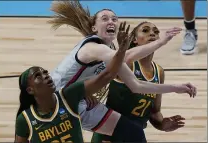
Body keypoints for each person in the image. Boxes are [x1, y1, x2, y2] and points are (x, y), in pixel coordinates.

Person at [49, 0, 196, 141]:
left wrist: (176, 87)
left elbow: (136, 85)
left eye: (114, 19)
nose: (111, 21)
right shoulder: (92, 47)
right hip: (55, 101)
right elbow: (126, 56)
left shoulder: (110, 50)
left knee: (134, 132)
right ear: (94, 28)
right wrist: (161, 41)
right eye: (105, 19)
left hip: (78, 100)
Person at [14, 33, 131, 143]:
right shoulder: (25, 119)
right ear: (30, 90)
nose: (45, 75)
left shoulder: (69, 96)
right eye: (38, 76)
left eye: (45, 72)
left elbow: (107, 75)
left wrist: (121, 51)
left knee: (130, 131)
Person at [91, 21, 186, 143]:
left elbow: (155, 112)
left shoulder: (159, 71)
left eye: (156, 32)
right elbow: (124, 59)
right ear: (134, 39)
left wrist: (162, 124)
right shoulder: (128, 64)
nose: (152, 34)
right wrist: (122, 49)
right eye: (145, 31)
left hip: (135, 134)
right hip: (110, 135)